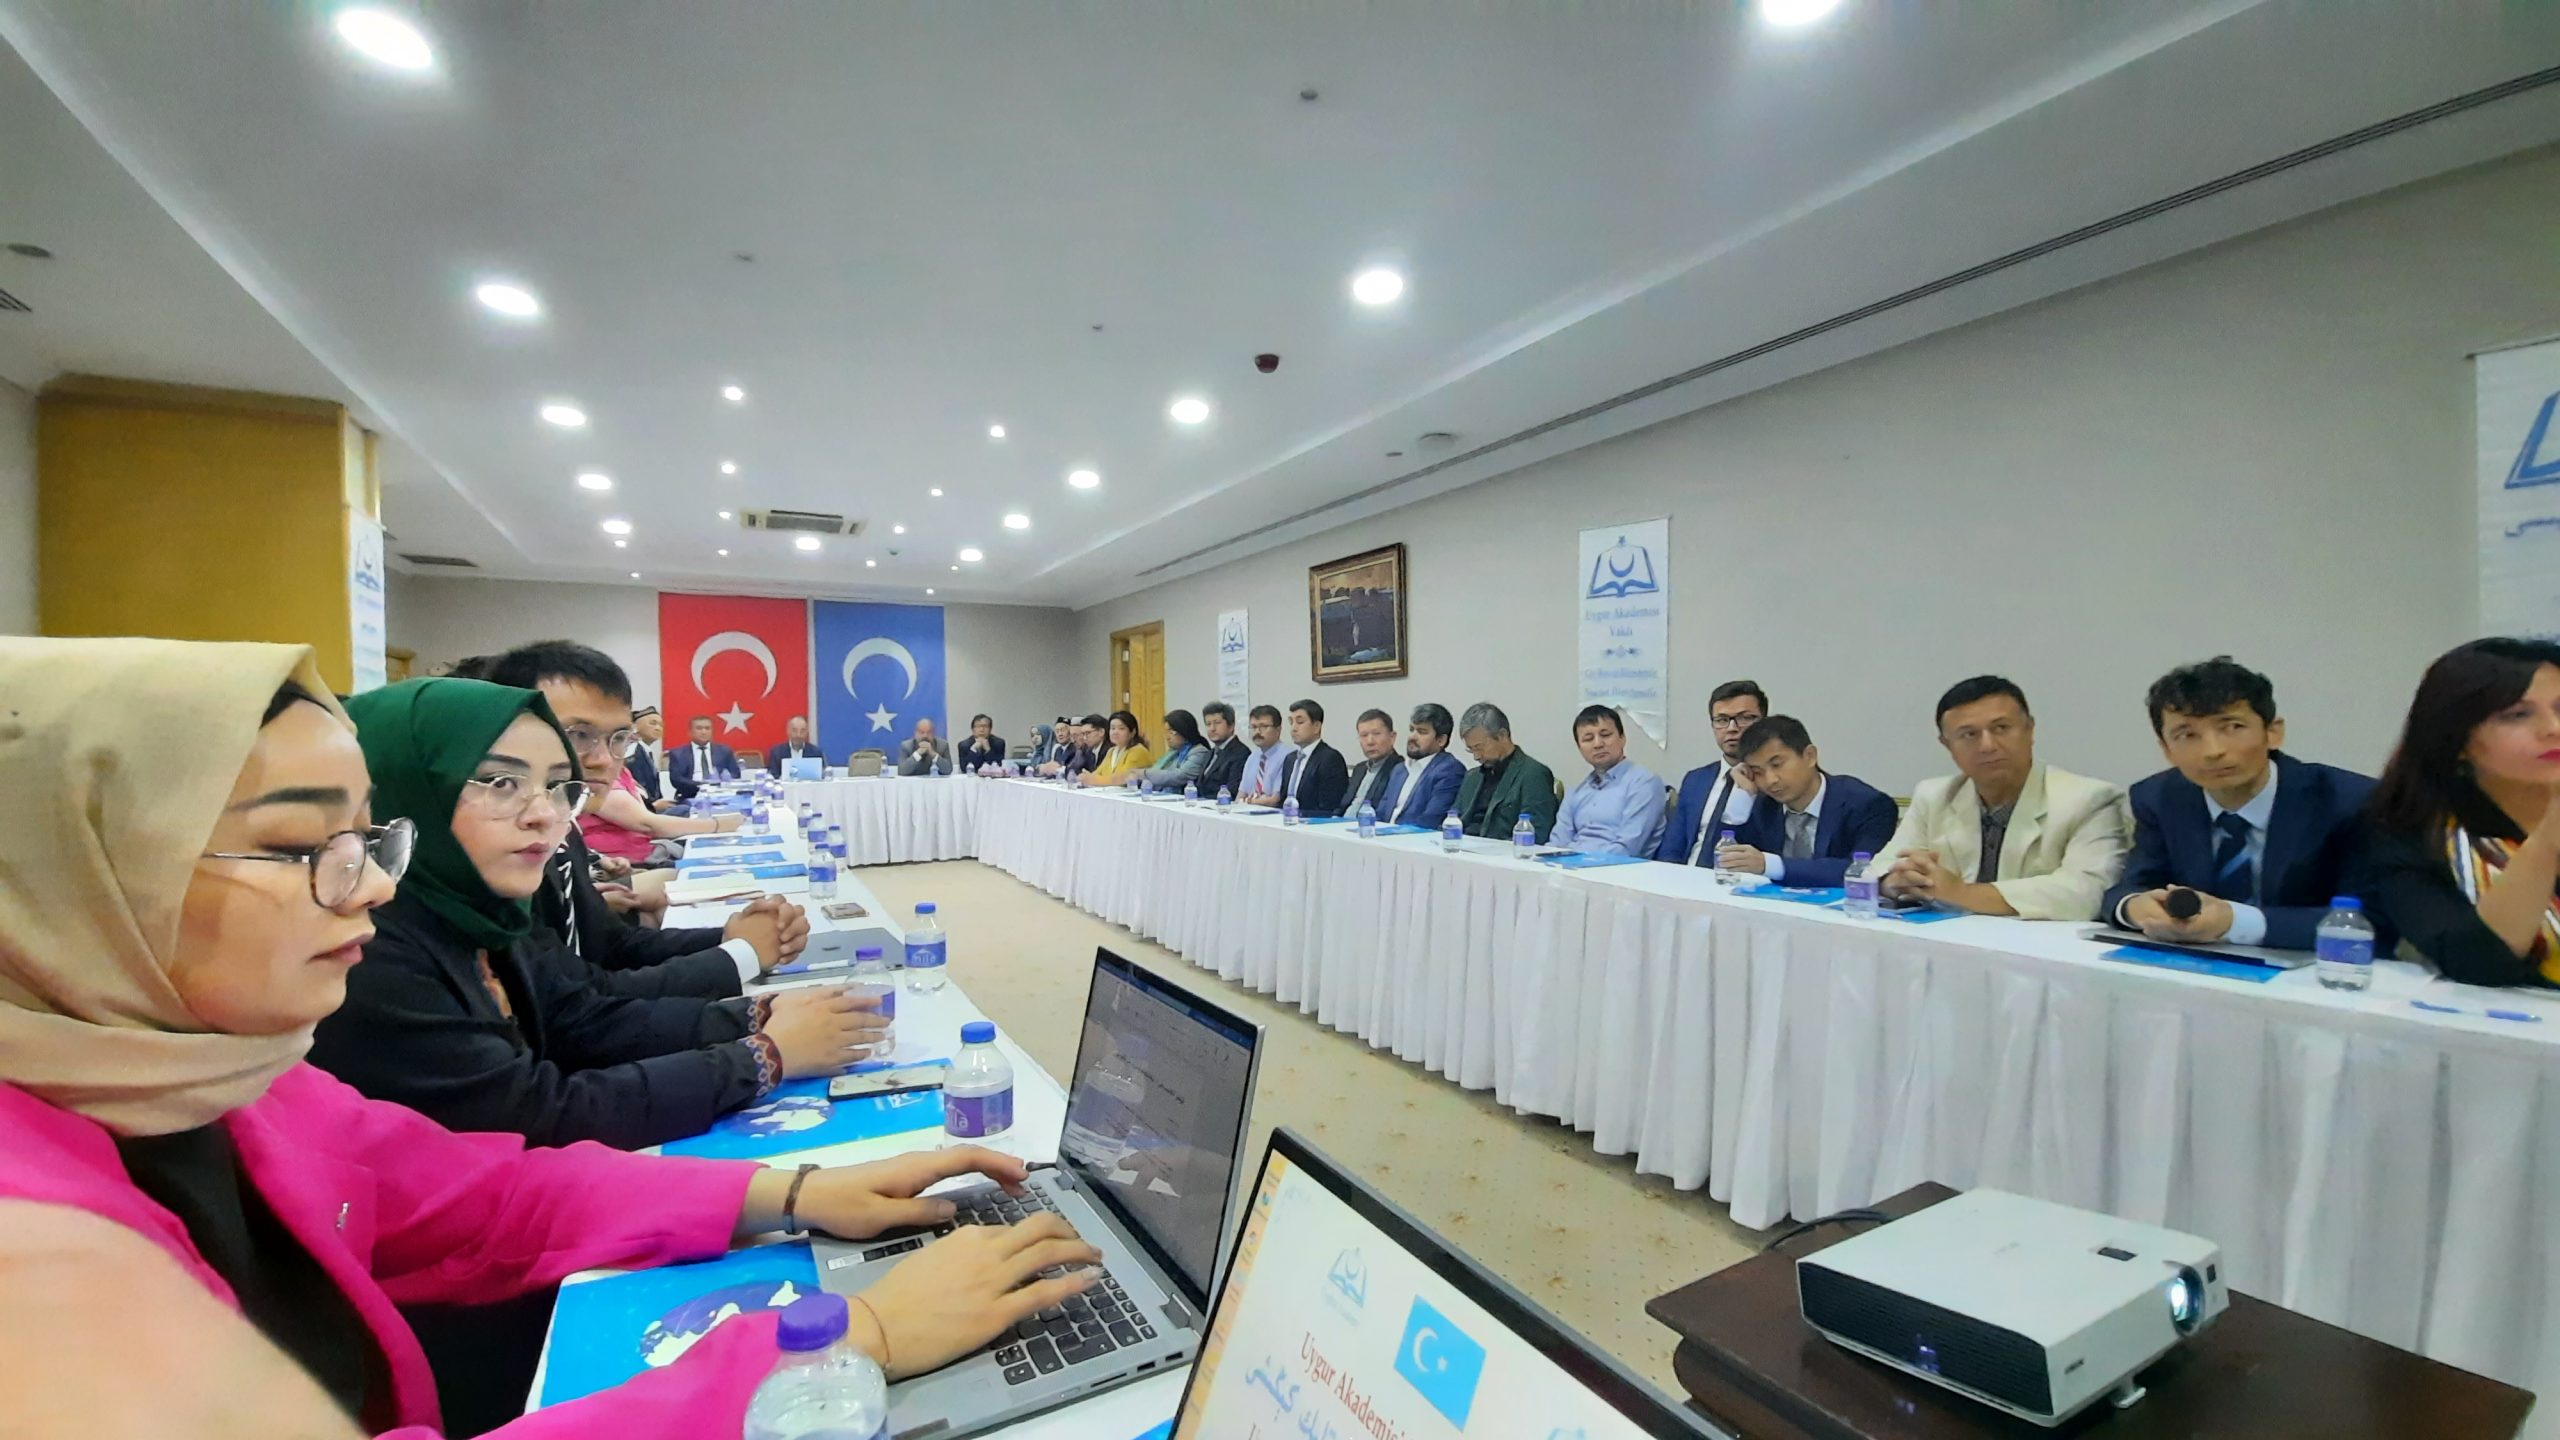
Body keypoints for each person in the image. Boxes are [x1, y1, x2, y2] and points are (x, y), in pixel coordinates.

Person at [0, 637, 1101, 1440]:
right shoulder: (36, 1261)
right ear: (69, 873)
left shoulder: (221, 1075)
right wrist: (849, 1339)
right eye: (299, 845)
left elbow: (480, 1192)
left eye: (370, 836)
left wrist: (792, 1190)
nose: (371, 887)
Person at [308, 677, 886, 1151]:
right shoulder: (369, 948)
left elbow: (576, 1012)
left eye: (558, 788)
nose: (543, 814)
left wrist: (760, 1012)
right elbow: (531, 1116)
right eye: (502, 782)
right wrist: (762, 1057)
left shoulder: (481, 906)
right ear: (405, 785)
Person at [487, 640, 808, 1000]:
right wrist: (744, 981)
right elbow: (576, 1008)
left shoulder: (565, 830)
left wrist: (727, 937)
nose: (604, 759)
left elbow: (613, 945)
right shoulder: (504, 851)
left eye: (618, 739)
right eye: (578, 735)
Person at [2103, 657, 2380, 949]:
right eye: (2187, 735)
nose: (2213, 751)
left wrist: (2234, 922)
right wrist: (2134, 908)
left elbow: (2371, 921)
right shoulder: (2158, 798)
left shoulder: (2349, 801)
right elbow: (2131, 886)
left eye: (2233, 727)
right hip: (2196, 964)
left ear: (2273, 732)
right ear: (2166, 749)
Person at [2359, 638, 2560, 988]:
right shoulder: (2407, 832)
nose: (2553, 728)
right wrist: (2547, 840)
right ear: (2457, 741)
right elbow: (2477, 962)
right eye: (2517, 715)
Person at [1869, 676, 2129, 919]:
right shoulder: (1934, 795)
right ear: (1947, 745)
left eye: (2001, 728)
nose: (1988, 746)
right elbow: (1878, 867)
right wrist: (1895, 881)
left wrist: (1961, 893)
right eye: (1969, 735)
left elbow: (2089, 893)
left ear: (2030, 730)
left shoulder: (2089, 799)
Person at [1711, 716, 1898, 887]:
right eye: (1757, 771)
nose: (1770, 780)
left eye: (1777, 765)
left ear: (1810, 756)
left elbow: (1866, 870)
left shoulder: (1868, 805)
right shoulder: (1761, 803)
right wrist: (1741, 794)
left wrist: (1770, 864)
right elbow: (1717, 858)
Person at [1656, 680, 1768, 866]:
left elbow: (1769, 845)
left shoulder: (1773, 782)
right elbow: (1672, 847)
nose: (1732, 728)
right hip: (1686, 877)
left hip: (1738, 879)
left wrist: (1748, 794)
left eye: (1745, 718)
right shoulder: (1696, 780)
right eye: (1722, 720)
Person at [1548, 705, 1667, 857]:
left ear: (1622, 738)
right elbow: (1557, 844)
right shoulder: (1576, 792)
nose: (1598, 744)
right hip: (1571, 866)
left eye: (1605, 735)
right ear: (1579, 748)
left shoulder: (1644, 783)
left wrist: (1581, 862)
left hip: (1617, 868)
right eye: (1588, 739)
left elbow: (1627, 848)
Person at [1388, 702, 1465, 826]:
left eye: (1422, 732)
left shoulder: (1450, 770)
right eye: (1412, 730)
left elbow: (1430, 820)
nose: (1412, 737)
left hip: (1412, 836)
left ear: (1441, 740)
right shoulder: (1399, 769)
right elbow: (1381, 812)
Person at [1278, 699, 1350, 816]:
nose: (1293, 728)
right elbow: (1283, 799)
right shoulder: (1290, 759)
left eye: (1300, 722)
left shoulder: (1330, 758)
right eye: (1291, 722)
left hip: (1314, 822)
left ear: (1316, 727)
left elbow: (1329, 806)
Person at [1336, 708, 1407, 819]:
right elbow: (1342, 806)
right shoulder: (1359, 769)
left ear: (1392, 737)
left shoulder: (1400, 770)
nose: (1370, 741)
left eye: (1376, 734)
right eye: (1364, 735)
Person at [1130, 709, 1209, 789]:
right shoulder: (1173, 753)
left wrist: (1144, 774)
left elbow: (1179, 777)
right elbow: (1159, 772)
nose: (1167, 737)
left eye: (1171, 732)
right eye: (1166, 732)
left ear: (1184, 730)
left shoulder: (1199, 752)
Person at [666, 715, 739, 800]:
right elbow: (676, 779)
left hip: (721, 794)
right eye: (699, 728)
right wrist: (702, 786)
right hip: (690, 795)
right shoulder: (678, 754)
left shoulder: (725, 751)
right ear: (690, 732)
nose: (704, 732)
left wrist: (719, 784)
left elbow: (735, 774)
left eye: (707, 728)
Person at [1235, 704, 1296, 805]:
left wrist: (1249, 801)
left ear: (1278, 730)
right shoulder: (1252, 757)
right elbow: (1240, 795)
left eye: (1264, 727)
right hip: (1247, 811)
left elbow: (1275, 800)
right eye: (1254, 727)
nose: (1257, 732)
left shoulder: (1288, 757)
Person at [1081, 711, 1154, 785]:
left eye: (1121, 728)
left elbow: (1122, 779)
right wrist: (1087, 777)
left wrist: (1093, 779)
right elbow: (1097, 774)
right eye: (1112, 728)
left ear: (1133, 732)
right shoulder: (1111, 751)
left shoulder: (1138, 750)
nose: (1115, 732)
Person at [1195, 701, 1251, 797]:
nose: (1212, 728)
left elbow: (1232, 791)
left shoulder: (1241, 753)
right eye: (1208, 724)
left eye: (1217, 723)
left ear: (1231, 726)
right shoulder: (1210, 753)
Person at [626, 705, 671, 809]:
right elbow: (636, 785)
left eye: (661, 725)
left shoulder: (645, 750)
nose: (658, 728)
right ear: (635, 727)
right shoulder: (632, 750)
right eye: (653, 723)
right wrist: (652, 806)